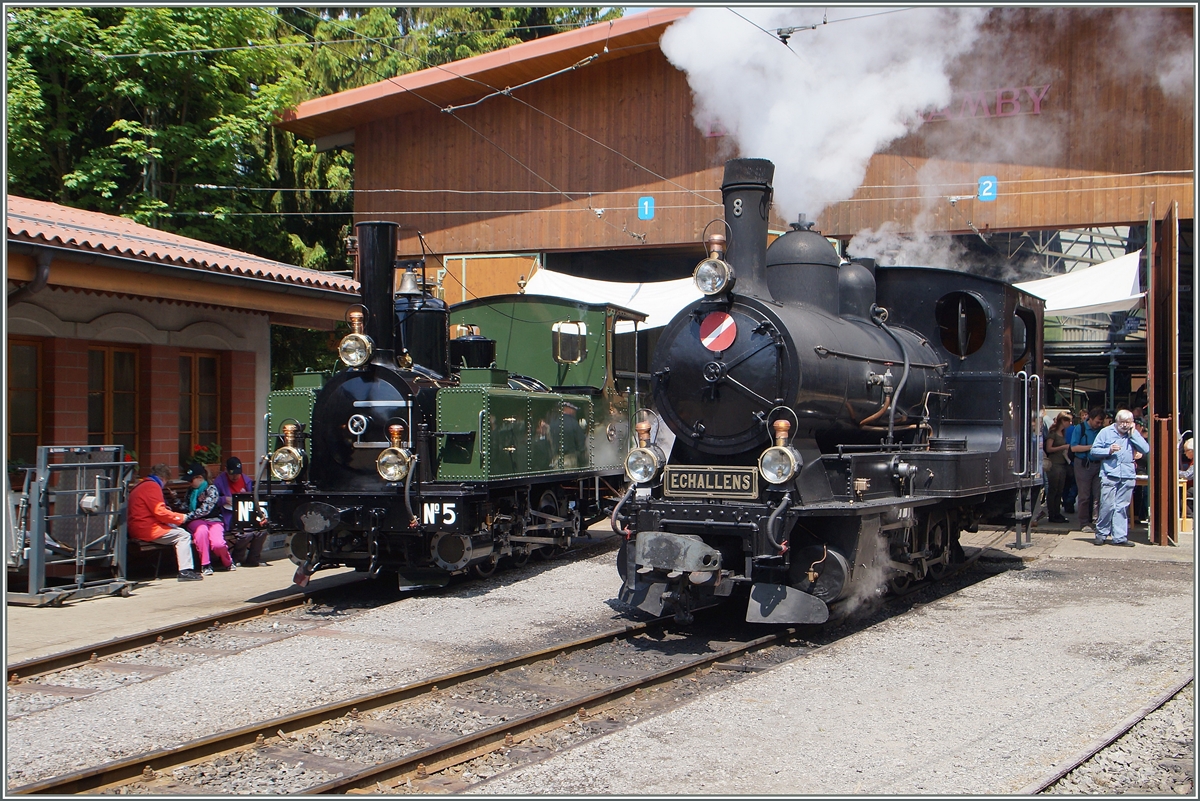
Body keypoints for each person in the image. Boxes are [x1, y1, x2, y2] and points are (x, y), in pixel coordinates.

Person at [127, 463, 203, 581]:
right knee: (183, 535)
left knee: (178, 531)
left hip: (138, 526)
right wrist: (181, 518)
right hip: (146, 529)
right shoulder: (152, 486)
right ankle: (185, 571)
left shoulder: (142, 484)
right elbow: (160, 512)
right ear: (164, 478)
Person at [1089, 409, 1150, 546]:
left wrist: (1134, 434)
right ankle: (1101, 534)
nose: (1124, 425)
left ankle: (1120, 537)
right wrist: (1108, 450)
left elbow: (1146, 449)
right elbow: (1094, 451)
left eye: (1128, 422)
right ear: (1116, 422)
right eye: (1122, 422)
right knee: (1107, 505)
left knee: (1122, 506)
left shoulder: (1132, 433)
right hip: (1110, 474)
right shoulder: (1105, 432)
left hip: (1127, 474)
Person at [215, 456, 268, 567]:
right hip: (230, 516)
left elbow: (255, 498)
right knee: (246, 534)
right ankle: (236, 558)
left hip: (247, 513)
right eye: (232, 474)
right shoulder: (219, 482)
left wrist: (247, 496)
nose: (235, 476)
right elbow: (213, 499)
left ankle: (253, 559)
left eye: (237, 473)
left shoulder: (246, 480)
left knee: (262, 531)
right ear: (226, 470)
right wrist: (224, 499)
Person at [182, 462, 232, 575]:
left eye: (191, 480)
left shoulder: (211, 489)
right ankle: (205, 564)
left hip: (213, 520)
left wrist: (186, 517)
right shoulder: (190, 491)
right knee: (201, 531)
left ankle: (227, 561)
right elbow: (185, 507)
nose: (189, 483)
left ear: (200, 478)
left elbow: (205, 510)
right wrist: (175, 500)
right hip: (196, 521)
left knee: (218, 543)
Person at [1069, 407, 1106, 533]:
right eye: (1097, 422)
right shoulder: (1080, 428)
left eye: (1101, 423)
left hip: (1098, 464)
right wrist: (1092, 447)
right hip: (1083, 464)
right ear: (1090, 418)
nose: (1099, 425)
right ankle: (1084, 522)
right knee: (1084, 495)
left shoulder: (1102, 430)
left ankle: (1098, 521)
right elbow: (1073, 448)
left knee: (1099, 495)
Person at [1043, 412, 1072, 523]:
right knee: (1053, 490)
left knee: (1060, 490)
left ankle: (1057, 512)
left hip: (1063, 464)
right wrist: (1063, 447)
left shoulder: (1063, 433)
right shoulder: (1053, 433)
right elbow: (1049, 449)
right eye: (1068, 421)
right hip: (1054, 464)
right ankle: (1052, 514)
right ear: (1062, 421)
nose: (1070, 423)